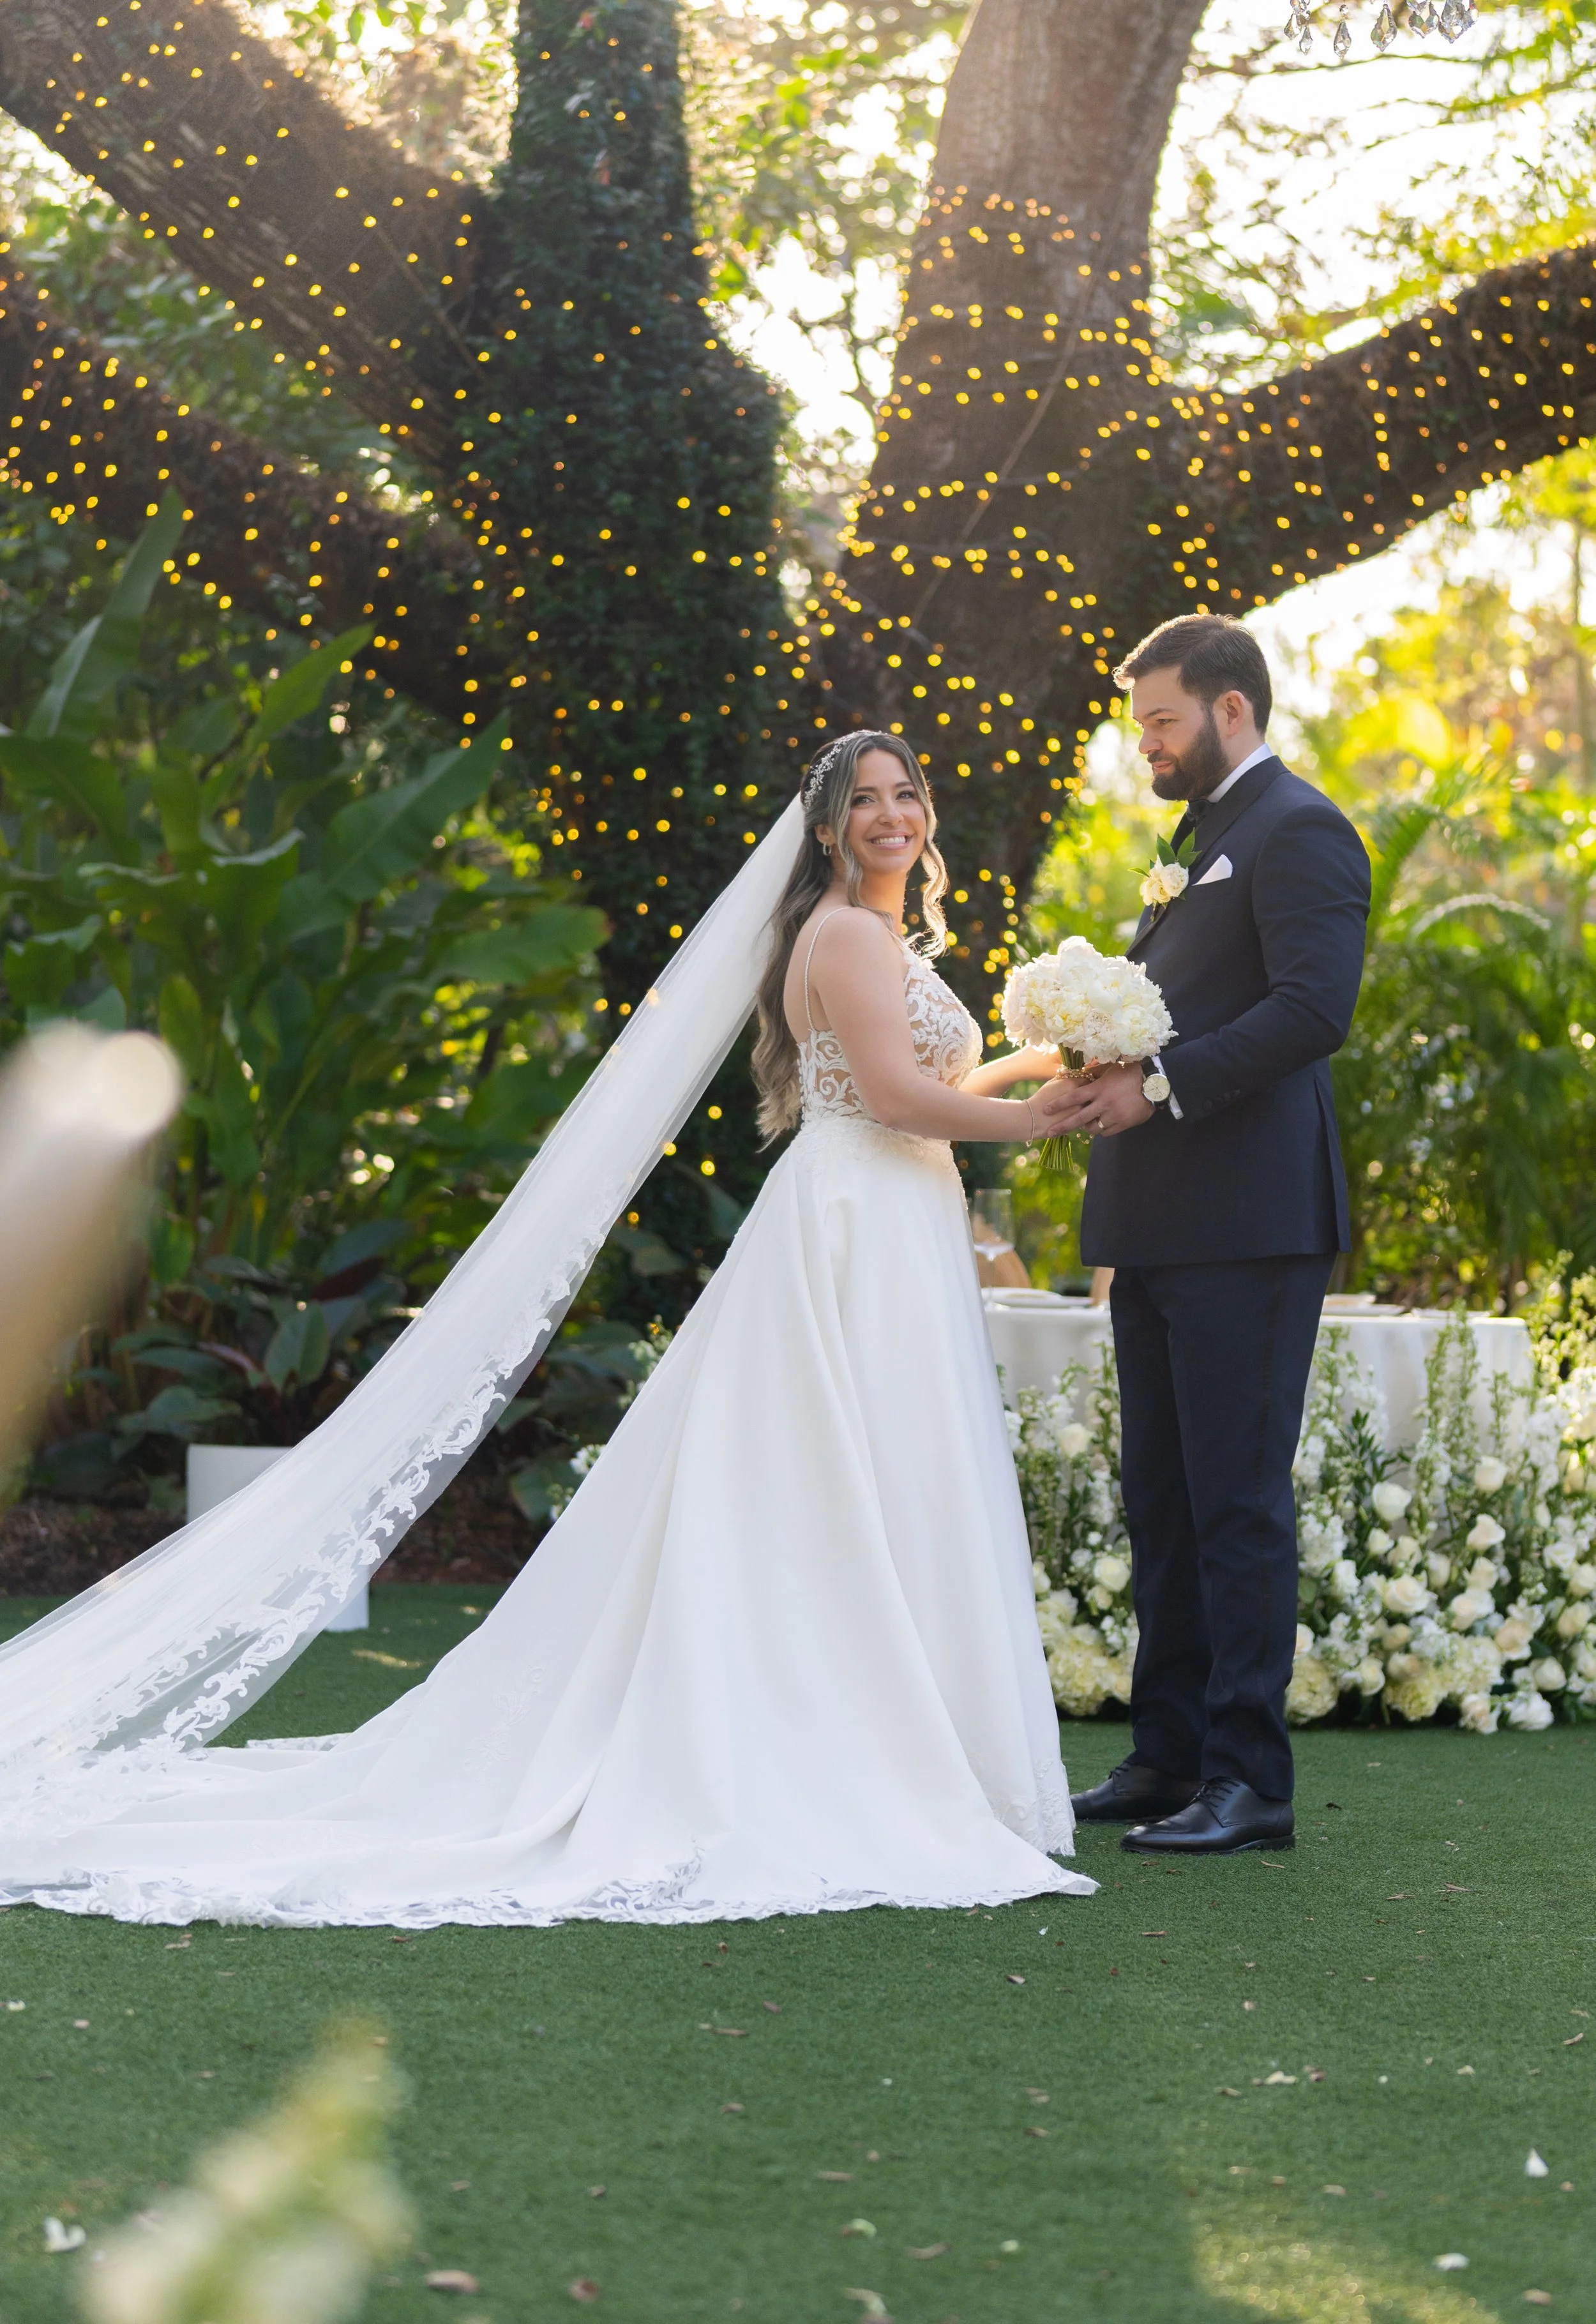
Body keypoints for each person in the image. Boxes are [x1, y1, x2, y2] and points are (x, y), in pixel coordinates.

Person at [0, 732, 1095, 1928]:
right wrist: (1038, 1124)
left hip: (894, 1214)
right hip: (855, 1226)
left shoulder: (882, 939)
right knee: (845, 1482)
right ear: (826, 829)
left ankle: (886, 1734)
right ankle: (839, 1747)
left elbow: (920, 1098)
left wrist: (1050, 1065)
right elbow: (888, 1100)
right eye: (864, 801)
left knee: (882, 1482)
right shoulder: (840, 932)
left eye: (907, 794)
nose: (892, 815)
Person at [1050, 616, 1370, 1857]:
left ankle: (1250, 1783)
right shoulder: (1197, 841)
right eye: (1140, 726)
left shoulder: (1297, 829)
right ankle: (1164, 1753)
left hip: (1248, 1219)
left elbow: (1311, 1008)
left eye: (1161, 722)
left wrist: (1160, 1082)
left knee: (1233, 1501)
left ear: (1230, 710)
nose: (1146, 746)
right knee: (1162, 1499)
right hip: (1160, 1219)